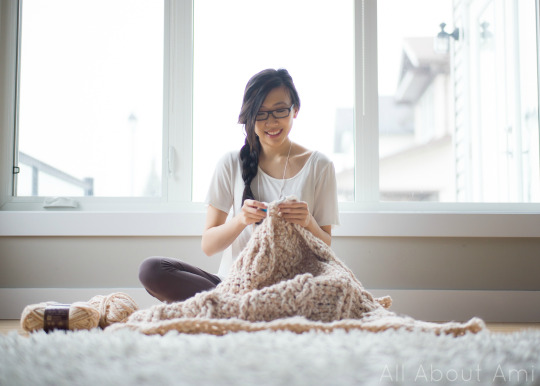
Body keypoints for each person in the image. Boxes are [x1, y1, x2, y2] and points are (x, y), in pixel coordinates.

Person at [138, 68, 340, 303]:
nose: (271, 122)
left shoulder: (320, 166)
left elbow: (325, 245)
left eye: (280, 110)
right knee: (151, 270)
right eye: (261, 113)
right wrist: (241, 220)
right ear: (249, 117)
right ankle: (240, 306)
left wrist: (308, 222)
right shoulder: (231, 163)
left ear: (295, 110)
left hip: (292, 289)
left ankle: (232, 309)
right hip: (232, 284)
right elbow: (209, 245)